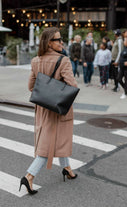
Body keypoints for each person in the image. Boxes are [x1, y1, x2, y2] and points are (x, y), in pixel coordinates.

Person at [19, 27, 78, 195]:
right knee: (48, 145)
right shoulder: (64, 61)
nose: (61, 42)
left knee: (59, 140)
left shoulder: (36, 60)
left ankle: (67, 168)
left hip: (43, 108)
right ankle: (29, 176)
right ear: (49, 42)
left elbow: (31, 86)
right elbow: (72, 86)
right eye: (58, 40)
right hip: (58, 109)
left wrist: (46, 84)